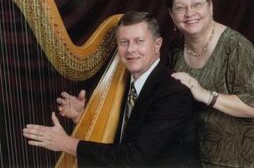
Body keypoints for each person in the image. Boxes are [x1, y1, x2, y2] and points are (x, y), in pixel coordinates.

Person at [23, 11, 201, 167]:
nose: (131, 49)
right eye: (124, 42)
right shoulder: (126, 86)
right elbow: (130, 134)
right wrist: (82, 117)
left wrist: (66, 143)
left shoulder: (173, 93)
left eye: (139, 41)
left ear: (157, 45)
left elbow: (134, 159)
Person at [163, 0, 254, 168]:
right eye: (180, 8)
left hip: (247, 154)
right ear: (172, 15)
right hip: (205, 150)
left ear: (210, 6)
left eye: (197, 4)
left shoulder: (237, 47)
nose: (189, 13)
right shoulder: (175, 48)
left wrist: (205, 95)